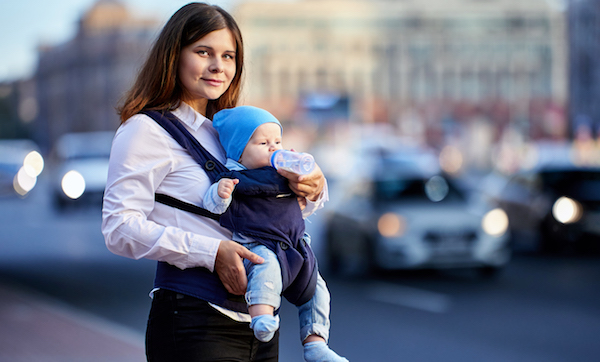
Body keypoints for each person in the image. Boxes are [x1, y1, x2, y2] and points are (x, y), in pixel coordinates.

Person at [101, 3, 328, 361]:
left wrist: (313, 188)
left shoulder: (236, 134)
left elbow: (267, 209)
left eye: (228, 55)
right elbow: (119, 228)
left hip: (259, 325)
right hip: (194, 320)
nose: (218, 66)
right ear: (173, 55)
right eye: (203, 52)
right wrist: (211, 253)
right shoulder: (145, 130)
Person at [203, 105, 347, 362]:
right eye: (263, 142)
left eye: (277, 141)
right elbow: (213, 206)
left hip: (296, 248)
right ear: (239, 150)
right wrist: (220, 193)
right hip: (259, 244)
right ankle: (261, 317)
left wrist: (305, 178)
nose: (273, 147)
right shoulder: (235, 177)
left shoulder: (284, 173)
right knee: (264, 269)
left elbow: (304, 203)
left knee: (318, 290)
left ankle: (316, 343)